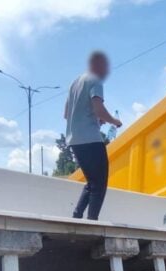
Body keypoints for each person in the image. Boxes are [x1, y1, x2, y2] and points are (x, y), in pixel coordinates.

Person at [64, 51, 122, 220]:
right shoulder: (95, 80)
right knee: (100, 184)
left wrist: (95, 119)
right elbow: (98, 108)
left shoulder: (74, 84)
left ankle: (77, 216)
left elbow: (67, 114)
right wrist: (113, 121)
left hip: (74, 140)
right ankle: (92, 222)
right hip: (91, 139)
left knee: (91, 182)